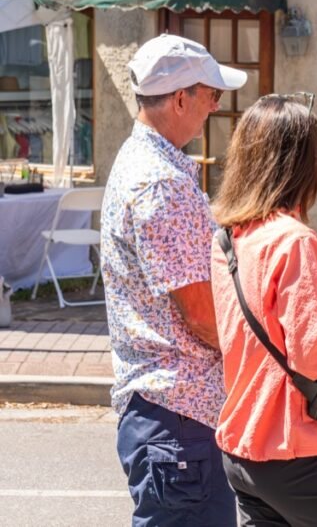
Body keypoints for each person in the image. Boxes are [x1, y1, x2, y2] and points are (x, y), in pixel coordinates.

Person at [209, 93, 317, 527]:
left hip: (244, 444)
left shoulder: (228, 239)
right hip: (297, 447)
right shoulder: (295, 240)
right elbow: (314, 354)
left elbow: (262, 322)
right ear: (302, 163)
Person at [100, 34, 246, 526]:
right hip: (180, 414)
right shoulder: (161, 180)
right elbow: (202, 315)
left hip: (167, 413)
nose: (216, 105)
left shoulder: (145, 162)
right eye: (212, 94)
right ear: (181, 98)